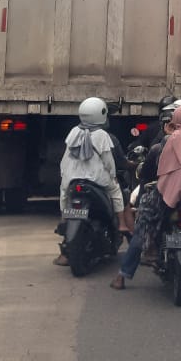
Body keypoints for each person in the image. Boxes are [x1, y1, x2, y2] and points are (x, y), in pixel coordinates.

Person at [111, 101, 181, 290]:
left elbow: (160, 171)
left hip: (171, 197)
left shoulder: (169, 141)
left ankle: (124, 275)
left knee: (144, 223)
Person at [55, 96, 127, 266]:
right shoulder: (102, 135)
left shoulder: (74, 132)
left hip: (72, 177)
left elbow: (65, 158)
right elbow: (108, 161)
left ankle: (64, 220)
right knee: (116, 190)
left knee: (64, 194)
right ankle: (122, 224)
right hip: (96, 179)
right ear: (101, 114)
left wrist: (65, 174)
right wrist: (113, 174)